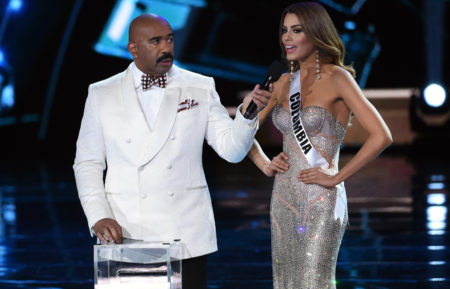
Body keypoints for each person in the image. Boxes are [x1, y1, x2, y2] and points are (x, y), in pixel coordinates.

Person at [73, 13, 271, 289]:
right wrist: (98, 216)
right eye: (155, 41)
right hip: (126, 228)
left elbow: (232, 151)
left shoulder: (200, 86)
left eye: (169, 40)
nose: (166, 48)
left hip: (185, 231)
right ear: (133, 48)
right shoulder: (101, 93)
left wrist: (247, 115)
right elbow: (87, 163)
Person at [247, 2, 392, 288]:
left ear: (315, 34)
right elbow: (243, 131)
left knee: (315, 281)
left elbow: (382, 135)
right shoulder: (282, 82)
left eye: (296, 30)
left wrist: (338, 177)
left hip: (321, 199)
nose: (287, 37)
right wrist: (264, 163)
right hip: (283, 199)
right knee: (286, 283)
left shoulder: (339, 78)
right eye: (284, 30)